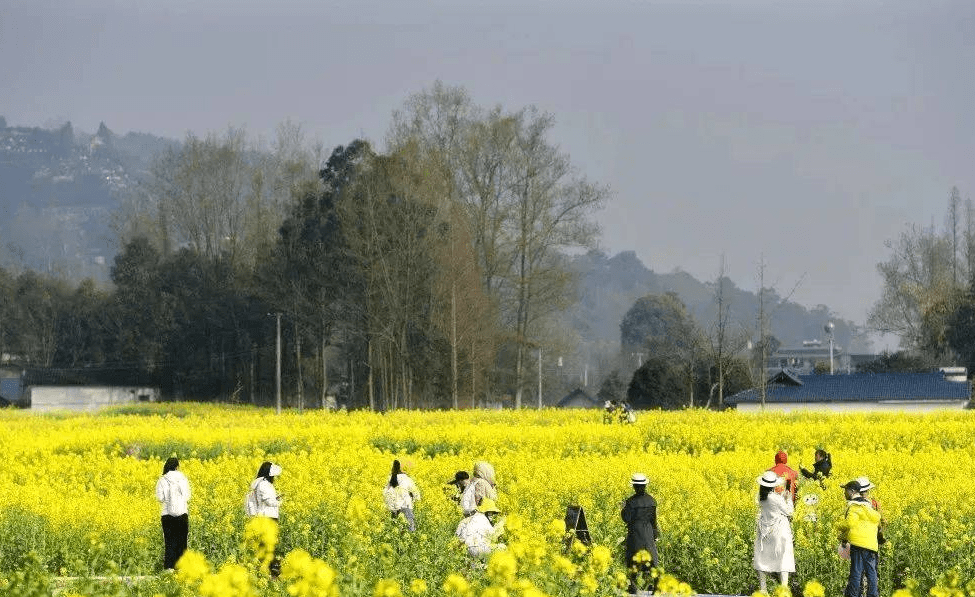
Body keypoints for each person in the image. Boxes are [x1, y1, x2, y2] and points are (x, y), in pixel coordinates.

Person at [753, 471, 795, 594]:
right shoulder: (776, 498)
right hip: (779, 531)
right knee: (783, 558)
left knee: (762, 558)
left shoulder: (760, 497)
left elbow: (771, 504)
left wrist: (781, 497)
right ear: (773, 485)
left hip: (764, 532)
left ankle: (763, 589)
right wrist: (788, 499)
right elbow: (789, 512)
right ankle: (783, 589)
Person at [838, 480, 882, 597]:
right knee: (871, 572)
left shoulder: (854, 506)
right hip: (872, 544)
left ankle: (853, 595)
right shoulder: (869, 507)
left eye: (846, 491)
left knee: (856, 573)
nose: (844, 493)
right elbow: (878, 524)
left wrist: (837, 527)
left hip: (859, 543)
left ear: (852, 491)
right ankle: (873, 595)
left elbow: (849, 524)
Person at [621, 472, 659, 594]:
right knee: (652, 559)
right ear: (644, 485)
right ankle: (657, 586)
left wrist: (623, 508)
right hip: (648, 532)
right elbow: (653, 520)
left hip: (635, 533)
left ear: (634, 486)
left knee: (632, 558)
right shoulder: (652, 500)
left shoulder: (630, 502)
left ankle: (632, 586)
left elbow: (627, 518)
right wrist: (655, 535)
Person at [155, 457, 191, 570]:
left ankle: (169, 569)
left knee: (169, 542)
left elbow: (160, 498)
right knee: (182, 542)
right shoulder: (183, 479)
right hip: (182, 514)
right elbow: (187, 496)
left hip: (167, 515)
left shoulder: (162, 480)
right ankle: (182, 568)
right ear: (177, 467)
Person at [383, 459, 421, 531]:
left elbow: (385, 493)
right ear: (404, 470)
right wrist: (414, 500)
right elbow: (416, 494)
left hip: (393, 509)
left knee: (396, 530)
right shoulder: (406, 479)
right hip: (405, 507)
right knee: (410, 530)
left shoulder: (390, 479)